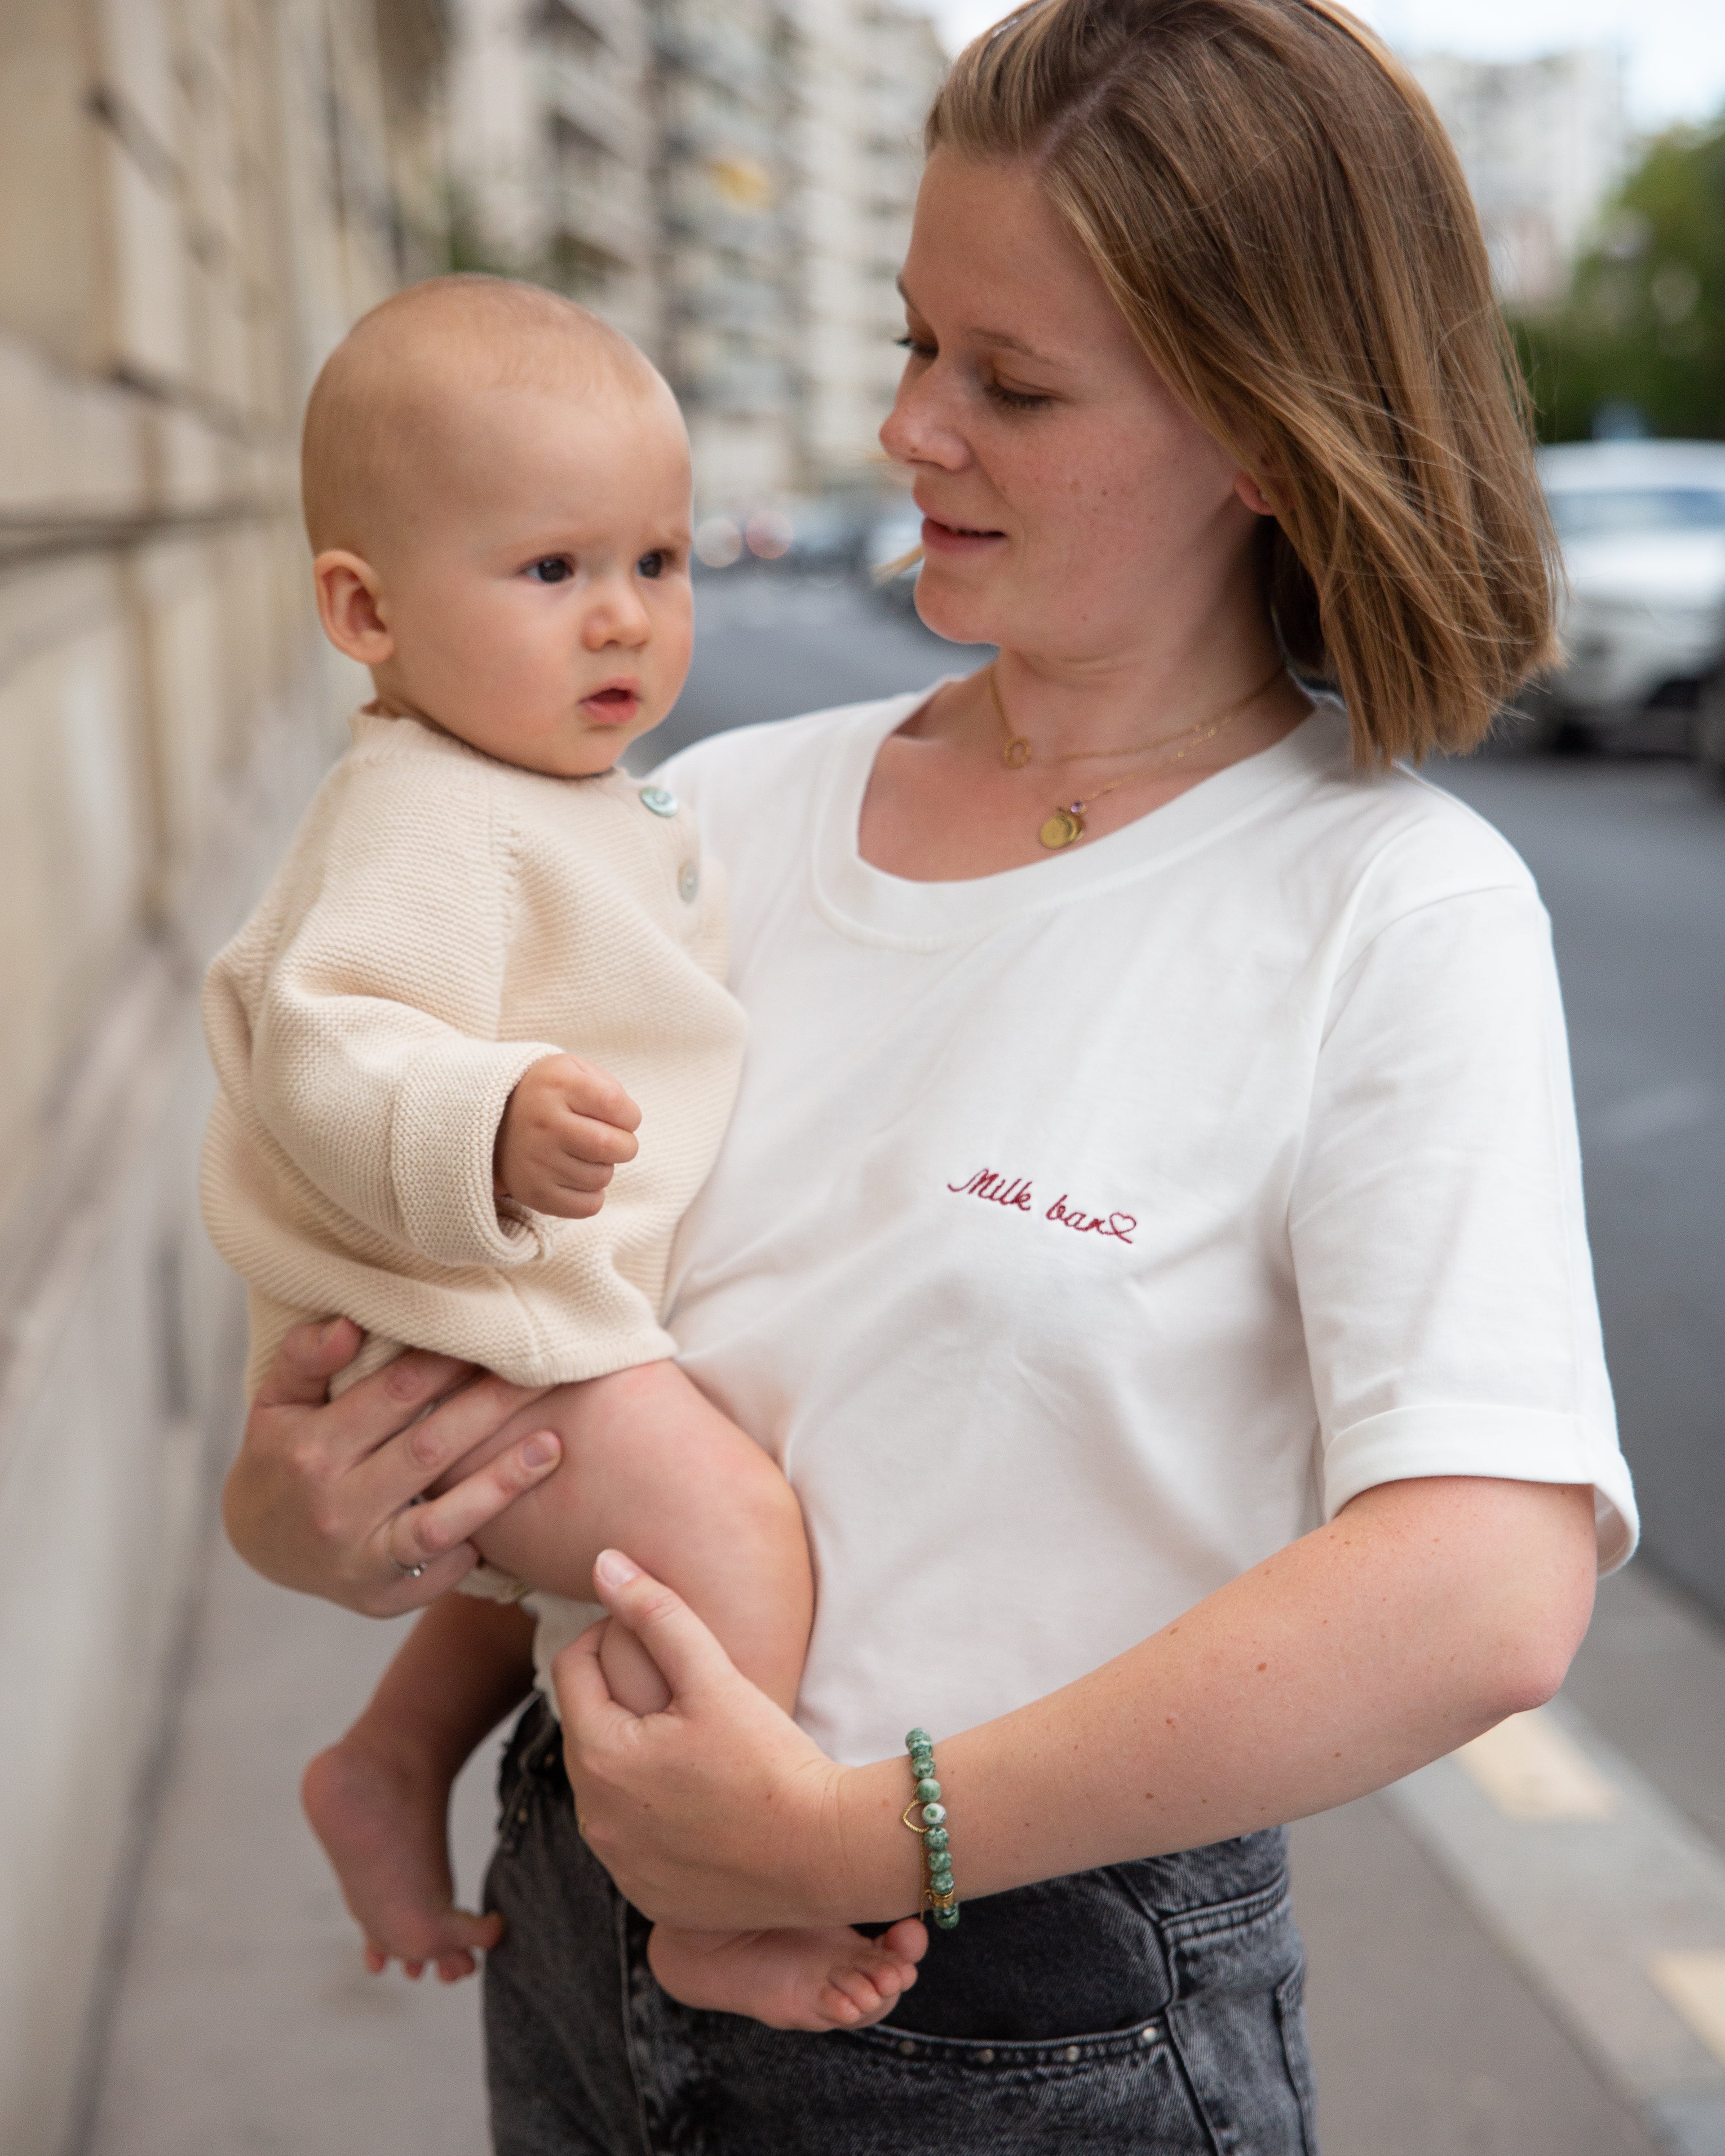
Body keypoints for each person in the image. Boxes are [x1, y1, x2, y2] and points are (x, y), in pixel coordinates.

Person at [221, 2, 1638, 2148]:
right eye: (913, 344)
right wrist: (313, 1518)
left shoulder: (1391, 906)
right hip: (576, 1907)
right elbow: (597, 1355)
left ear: (1262, 431)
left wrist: (859, 1843)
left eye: (1012, 381)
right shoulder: (704, 812)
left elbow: (1484, 1585)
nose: (909, 430)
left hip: (1013, 2013)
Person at [199, 274, 925, 2029]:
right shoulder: (426, 812)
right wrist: (490, 1117)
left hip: (519, 1305)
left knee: (610, 1555)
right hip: (457, 1306)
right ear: (364, 609)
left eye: (656, 565)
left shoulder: (582, 794)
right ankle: (705, 1897)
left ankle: (386, 1761)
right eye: (551, 573)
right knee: (730, 1538)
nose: (622, 622)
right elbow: (324, 1037)